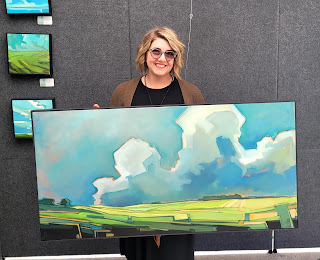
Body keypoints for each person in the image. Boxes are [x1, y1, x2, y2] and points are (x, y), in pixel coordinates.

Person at [95, 26, 204, 260]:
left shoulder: (191, 93)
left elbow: (200, 141)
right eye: (156, 51)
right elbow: (115, 140)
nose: (162, 59)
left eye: (169, 53)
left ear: (176, 58)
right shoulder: (124, 92)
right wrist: (97, 122)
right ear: (145, 54)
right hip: (135, 195)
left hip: (179, 197)